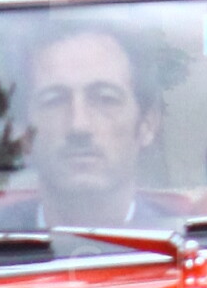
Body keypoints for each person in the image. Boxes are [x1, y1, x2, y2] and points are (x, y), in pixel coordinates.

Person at [16, 22, 171, 235]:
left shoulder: (197, 241)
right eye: (54, 101)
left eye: (105, 99)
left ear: (147, 124)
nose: (79, 125)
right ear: (23, 132)